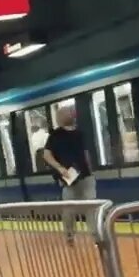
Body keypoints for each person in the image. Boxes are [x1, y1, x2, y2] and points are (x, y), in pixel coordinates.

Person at [42, 104, 96, 244]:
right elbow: (47, 155)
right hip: (68, 178)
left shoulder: (80, 134)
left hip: (85, 175)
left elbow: (85, 154)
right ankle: (70, 236)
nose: (71, 114)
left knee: (91, 207)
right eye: (68, 113)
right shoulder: (55, 135)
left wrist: (90, 171)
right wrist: (60, 169)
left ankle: (96, 236)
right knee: (69, 210)